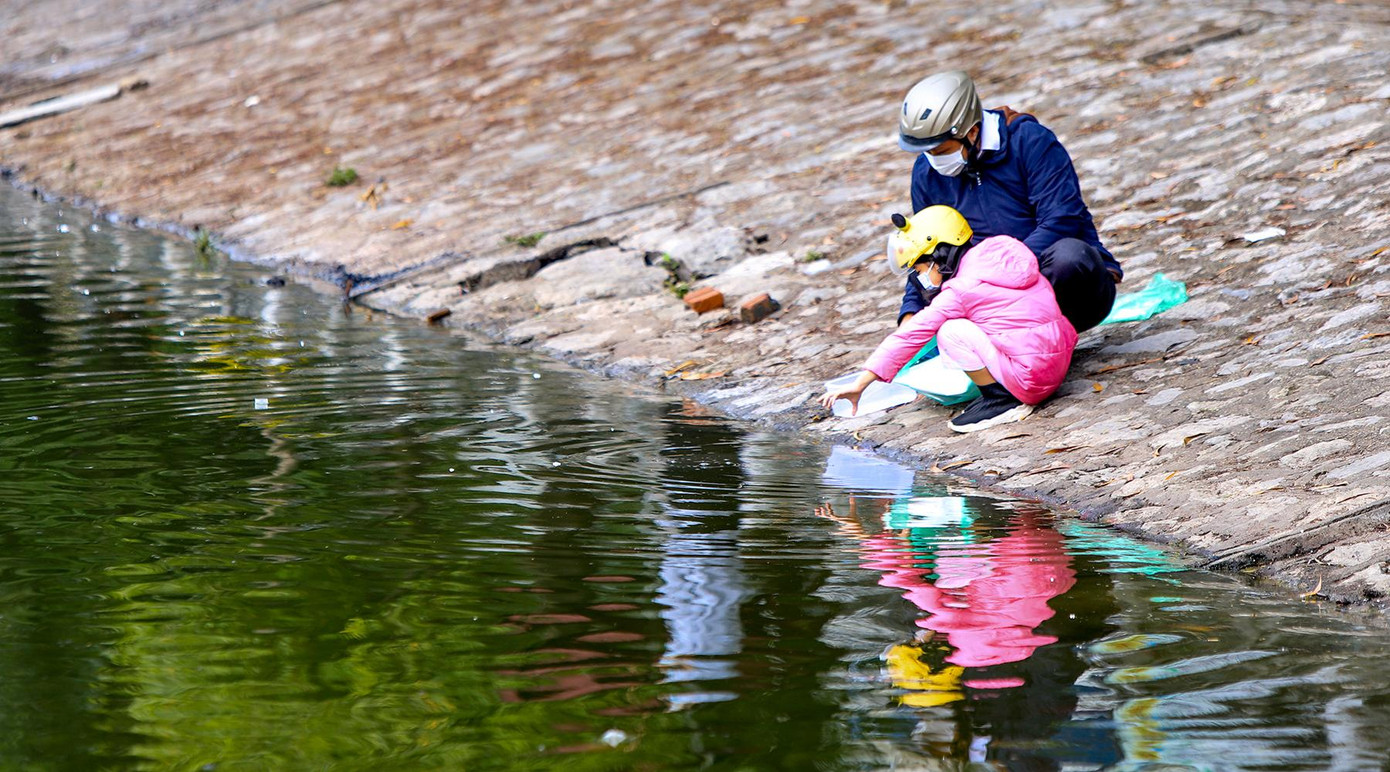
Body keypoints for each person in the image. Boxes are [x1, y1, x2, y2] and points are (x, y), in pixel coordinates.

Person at [895, 70, 1121, 334]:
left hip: (1061, 285)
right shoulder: (926, 173)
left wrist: (997, 276)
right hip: (987, 301)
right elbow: (927, 253)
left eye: (941, 150)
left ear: (972, 132)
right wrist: (910, 314)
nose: (934, 159)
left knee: (1069, 257)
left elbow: (1062, 220)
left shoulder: (1031, 141)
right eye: (927, 151)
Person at [819, 206, 1076, 432]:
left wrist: (861, 383)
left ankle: (1001, 400)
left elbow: (911, 334)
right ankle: (1004, 389)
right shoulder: (1003, 258)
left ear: (939, 257)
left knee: (950, 330)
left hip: (1031, 382)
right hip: (1058, 368)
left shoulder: (960, 290)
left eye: (919, 268)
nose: (920, 277)